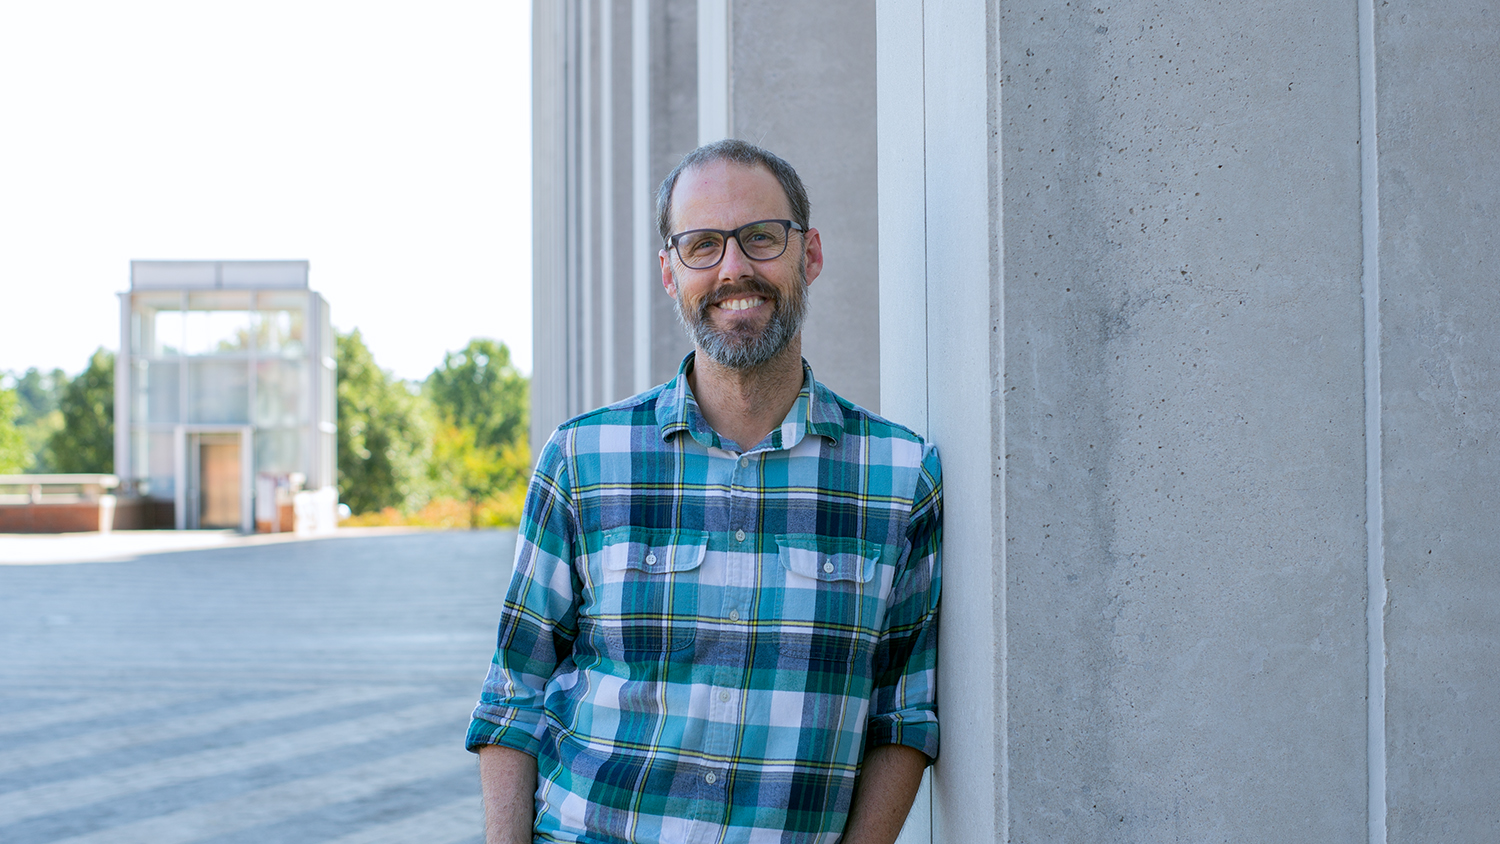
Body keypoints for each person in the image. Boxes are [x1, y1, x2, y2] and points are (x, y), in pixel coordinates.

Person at [467, 139, 942, 844]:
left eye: (760, 239)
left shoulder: (900, 477)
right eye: (702, 246)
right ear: (670, 272)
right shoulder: (581, 458)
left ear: (808, 254)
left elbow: (903, 714)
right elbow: (516, 692)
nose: (734, 269)